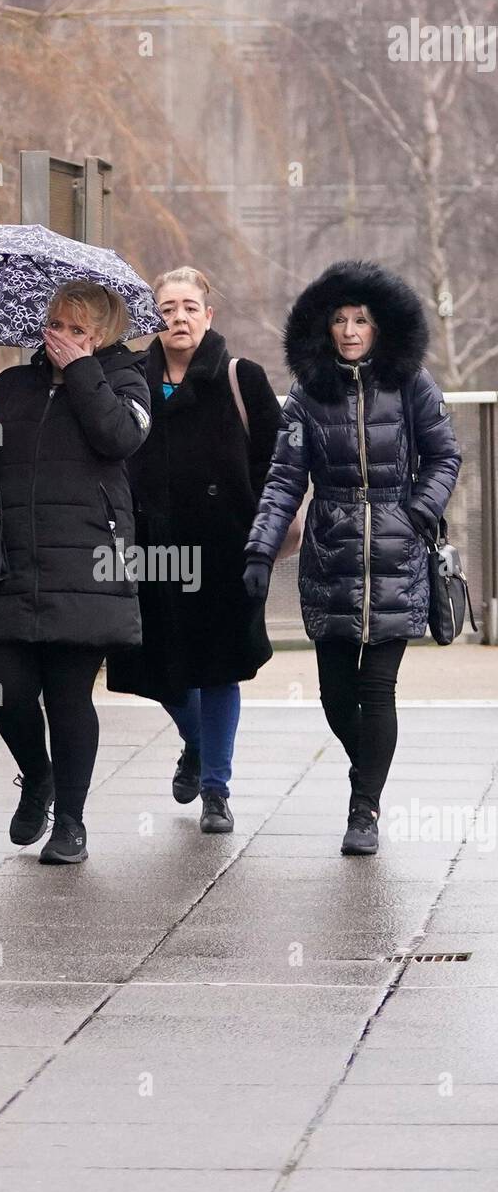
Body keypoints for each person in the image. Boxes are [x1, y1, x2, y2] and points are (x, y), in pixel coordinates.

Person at [244, 260, 462, 856]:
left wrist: (416, 513)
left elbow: (446, 456)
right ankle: (366, 771)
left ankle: (363, 806)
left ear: (380, 325)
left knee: (379, 688)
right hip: (331, 551)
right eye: (339, 319)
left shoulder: (412, 383)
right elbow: (284, 478)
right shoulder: (307, 395)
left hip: (397, 549)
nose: (348, 330)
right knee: (336, 696)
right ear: (323, 326)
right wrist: (262, 547)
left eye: (360, 319)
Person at [0, 281, 151, 864]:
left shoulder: (125, 382)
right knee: (5, 693)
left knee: (67, 697)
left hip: (87, 565)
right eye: (56, 325)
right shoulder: (15, 384)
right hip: (10, 563)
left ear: (102, 336)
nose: (60, 337)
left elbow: (119, 438)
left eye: (77, 329)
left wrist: (85, 372)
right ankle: (36, 777)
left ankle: (71, 822)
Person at [107, 266, 282, 833]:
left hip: (225, 549)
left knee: (218, 668)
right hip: (150, 552)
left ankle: (216, 790)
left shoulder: (241, 377)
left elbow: (275, 464)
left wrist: (258, 532)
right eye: (166, 309)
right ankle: (197, 744)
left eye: (188, 307)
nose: (177, 317)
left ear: (208, 315)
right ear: (153, 319)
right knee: (155, 670)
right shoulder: (132, 378)